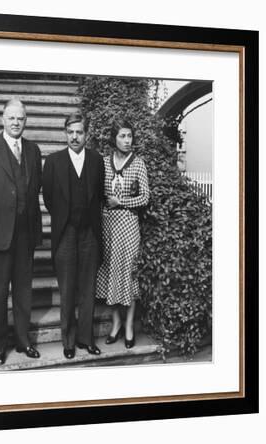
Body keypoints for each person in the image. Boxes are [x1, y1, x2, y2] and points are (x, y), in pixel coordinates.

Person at [0, 99, 43, 365]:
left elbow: (35, 191)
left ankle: (24, 341)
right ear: (2, 119)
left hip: (25, 233)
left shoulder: (34, 150)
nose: (16, 122)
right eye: (11, 118)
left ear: (26, 121)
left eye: (20, 118)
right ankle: (0, 345)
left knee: (24, 291)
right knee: (0, 292)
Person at [42, 113, 104, 359]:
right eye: (70, 132)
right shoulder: (54, 161)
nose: (75, 137)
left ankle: (85, 339)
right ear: (65, 134)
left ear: (86, 134)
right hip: (65, 232)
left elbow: (98, 194)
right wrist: (64, 218)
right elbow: (48, 197)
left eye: (79, 132)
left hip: (89, 232)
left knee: (87, 289)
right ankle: (68, 341)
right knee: (67, 289)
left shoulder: (97, 160)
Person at [96, 119, 150, 349]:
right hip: (107, 225)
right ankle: (115, 324)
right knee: (110, 274)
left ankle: (129, 326)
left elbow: (146, 197)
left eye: (130, 136)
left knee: (127, 275)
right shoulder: (104, 163)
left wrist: (122, 202)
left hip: (128, 225)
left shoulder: (138, 164)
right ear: (114, 138)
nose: (127, 141)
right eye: (122, 136)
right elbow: (97, 192)